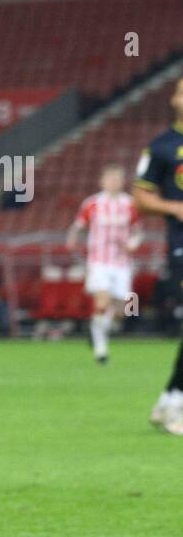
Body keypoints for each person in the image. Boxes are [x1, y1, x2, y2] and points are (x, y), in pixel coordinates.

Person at [132, 76, 183, 435]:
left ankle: (168, 401)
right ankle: (175, 407)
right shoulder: (162, 147)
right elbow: (141, 196)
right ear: (174, 99)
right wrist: (175, 208)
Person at [67, 164, 141, 365]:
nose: (113, 182)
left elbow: (137, 231)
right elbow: (79, 226)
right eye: (109, 179)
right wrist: (73, 237)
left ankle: (96, 329)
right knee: (102, 301)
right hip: (99, 261)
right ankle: (101, 349)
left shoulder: (130, 204)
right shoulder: (92, 204)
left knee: (121, 311)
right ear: (102, 181)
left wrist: (133, 244)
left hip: (122, 263)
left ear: (122, 182)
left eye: (117, 179)